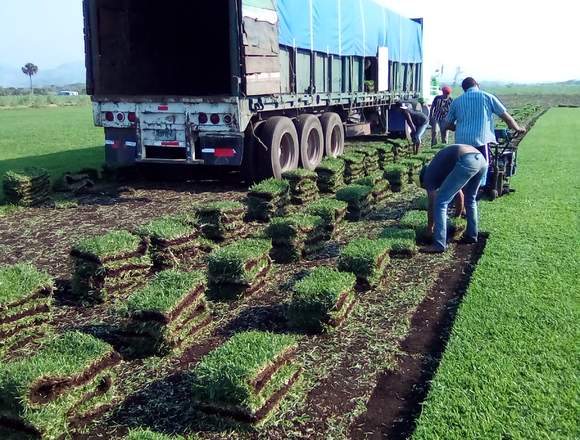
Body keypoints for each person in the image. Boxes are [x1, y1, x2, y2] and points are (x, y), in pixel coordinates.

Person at [444, 77, 526, 186]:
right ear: (477, 85)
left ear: (464, 89)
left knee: (461, 165)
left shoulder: (457, 101)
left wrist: (458, 128)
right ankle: (479, 187)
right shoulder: (487, 97)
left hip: (462, 142)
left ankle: (461, 187)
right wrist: (517, 128)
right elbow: (506, 117)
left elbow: (447, 124)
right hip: (481, 140)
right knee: (484, 165)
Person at [419, 144, 488, 253]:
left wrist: (429, 229)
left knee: (440, 202)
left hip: (467, 159)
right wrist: (457, 215)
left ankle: (439, 244)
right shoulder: (442, 169)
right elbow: (459, 192)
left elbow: (432, 202)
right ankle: (472, 235)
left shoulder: (428, 177)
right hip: (481, 159)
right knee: (470, 199)